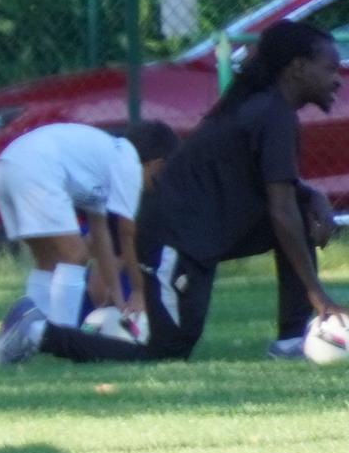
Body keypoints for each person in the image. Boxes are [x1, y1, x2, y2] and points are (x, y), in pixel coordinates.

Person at [37, 23, 343, 365]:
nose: (338, 79)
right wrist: (318, 295)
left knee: (299, 218)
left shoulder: (268, 111)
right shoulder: (271, 114)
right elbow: (281, 210)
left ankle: (290, 342)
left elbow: (280, 191)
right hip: (173, 240)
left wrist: (312, 197)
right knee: (167, 352)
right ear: (298, 68)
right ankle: (39, 333)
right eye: (330, 68)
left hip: (198, 235)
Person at [0, 117, 174, 365]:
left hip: (9, 166)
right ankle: (63, 340)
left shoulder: (102, 165)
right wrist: (138, 290)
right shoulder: (128, 163)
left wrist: (117, 300)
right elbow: (127, 232)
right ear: (157, 164)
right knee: (76, 255)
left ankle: (28, 335)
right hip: (36, 168)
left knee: (47, 261)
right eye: (161, 176)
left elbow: (101, 235)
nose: (157, 186)